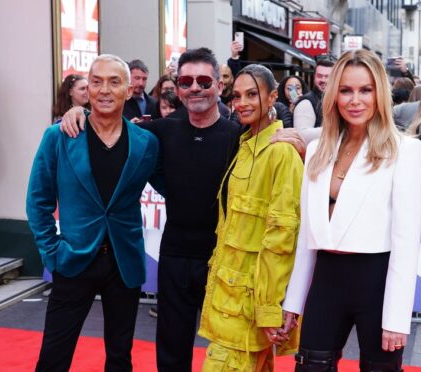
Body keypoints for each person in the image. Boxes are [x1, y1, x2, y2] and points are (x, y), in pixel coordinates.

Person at [59, 48, 306, 372]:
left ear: (219, 86)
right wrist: (77, 113)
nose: (195, 88)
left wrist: (303, 142)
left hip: (223, 263)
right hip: (175, 258)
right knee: (171, 354)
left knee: (233, 353)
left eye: (204, 80)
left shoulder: (240, 137)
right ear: (177, 86)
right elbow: (113, 127)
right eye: (186, 81)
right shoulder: (161, 131)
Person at [282, 49, 421, 372]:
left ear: (380, 94)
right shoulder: (318, 149)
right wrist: (293, 300)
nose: (355, 100)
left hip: (377, 282)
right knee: (309, 367)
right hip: (326, 281)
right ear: (333, 95)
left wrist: (397, 319)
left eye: (365, 90)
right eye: (346, 90)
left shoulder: (404, 150)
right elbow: (308, 233)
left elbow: (405, 243)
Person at [26, 54, 159, 371]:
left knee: (119, 358)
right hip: (72, 260)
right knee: (53, 358)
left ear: (129, 90)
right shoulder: (59, 136)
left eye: (114, 82)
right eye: (96, 81)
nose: (104, 90)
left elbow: (177, 179)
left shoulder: (146, 142)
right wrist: (52, 251)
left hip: (123, 263)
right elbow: (38, 200)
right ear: (87, 88)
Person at [198, 64, 303, 371]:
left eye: (252, 94)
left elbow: (282, 238)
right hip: (228, 297)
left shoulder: (281, 153)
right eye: (237, 95)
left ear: (272, 97)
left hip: (249, 305)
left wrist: (270, 310)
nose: (241, 102)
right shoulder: (246, 144)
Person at [293, 59, 334, 143]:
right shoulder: (306, 103)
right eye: (319, 76)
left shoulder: (336, 98)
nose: (323, 80)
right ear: (314, 76)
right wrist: (338, 129)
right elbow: (302, 135)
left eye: (327, 76)